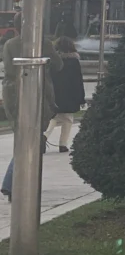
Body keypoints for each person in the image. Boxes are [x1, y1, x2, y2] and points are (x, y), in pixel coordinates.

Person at [2, 14, 63, 200]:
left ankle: (19, 183)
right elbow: (59, 65)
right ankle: (13, 183)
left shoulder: (9, 44)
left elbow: (9, 68)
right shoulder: (43, 44)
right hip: (36, 93)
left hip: (12, 93)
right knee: (32, 141)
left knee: (25, 138)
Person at [46, 36, 85, 153]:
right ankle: (63, 144)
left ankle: (45, 135)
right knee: (68, 119)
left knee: (54, 116)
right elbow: (78, 80)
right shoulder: (74, 61)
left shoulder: (53, 61)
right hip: (70, 94)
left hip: (55, 93)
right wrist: (81, 98)